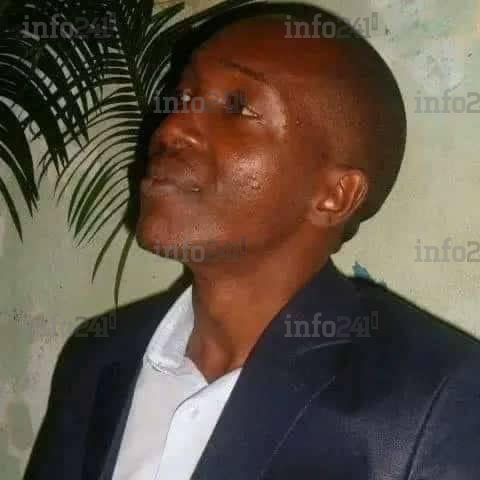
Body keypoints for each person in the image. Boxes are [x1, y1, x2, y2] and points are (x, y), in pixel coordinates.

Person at [25, 2, 480, 479]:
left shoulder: (433, 399)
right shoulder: (99, 356)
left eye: (237, 107)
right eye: (182, 96)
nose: (172, 128)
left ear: (334, 196)